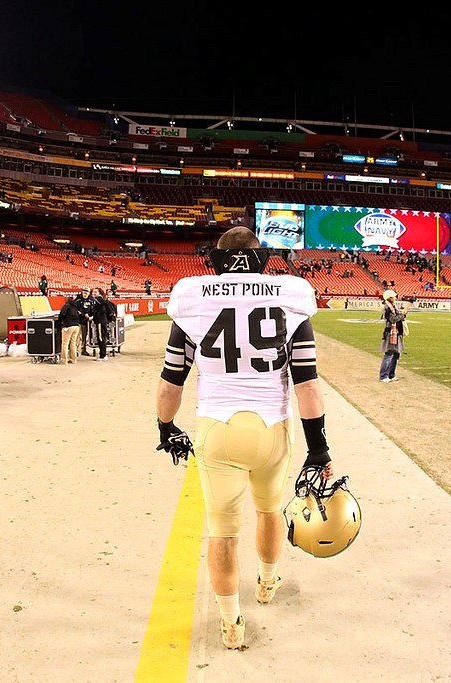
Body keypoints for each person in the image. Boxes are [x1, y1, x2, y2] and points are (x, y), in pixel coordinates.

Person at [155, 225, 335, 650]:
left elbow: (171, 383)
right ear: (261, 257)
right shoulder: (289, 296)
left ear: (217, 258)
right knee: (270, 511)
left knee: (222, 531)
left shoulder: (192, 298)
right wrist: (319, 448)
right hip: (272, 428)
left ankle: (230, 622)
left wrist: (166, 427)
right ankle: (268, 583)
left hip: (217, 428)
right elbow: (307, 385)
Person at [379, 289, 408, 382]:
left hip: (396, 333)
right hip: (391, 333)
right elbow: (393, 319)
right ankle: (384, 375)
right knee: (389, 353)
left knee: (396, 354)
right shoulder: (387, 308)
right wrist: (402, 315)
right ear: (389, 298)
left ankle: (391, 374)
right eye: (393, 297)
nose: (395, 298)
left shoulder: (392, 307)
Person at [57, 292, 85, 364]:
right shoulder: (76, 307)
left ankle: (64, 360)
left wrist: (60, 322)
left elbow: (62, 315)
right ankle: (73, 359)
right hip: (76, 326)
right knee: (73, 343)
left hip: (68, 326)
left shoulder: (66, 306)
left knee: (65, 343)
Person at [90, 287, 115, 361]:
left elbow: (105, 303)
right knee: (101, 338)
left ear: (99, 293)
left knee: (101, 338)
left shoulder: (98, 300)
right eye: (93, 292)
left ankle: (103, 355)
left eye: (95, 292)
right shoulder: (99, 301)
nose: (93, 293)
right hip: (101, 321)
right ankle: (103, 354)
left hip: (100, 321)